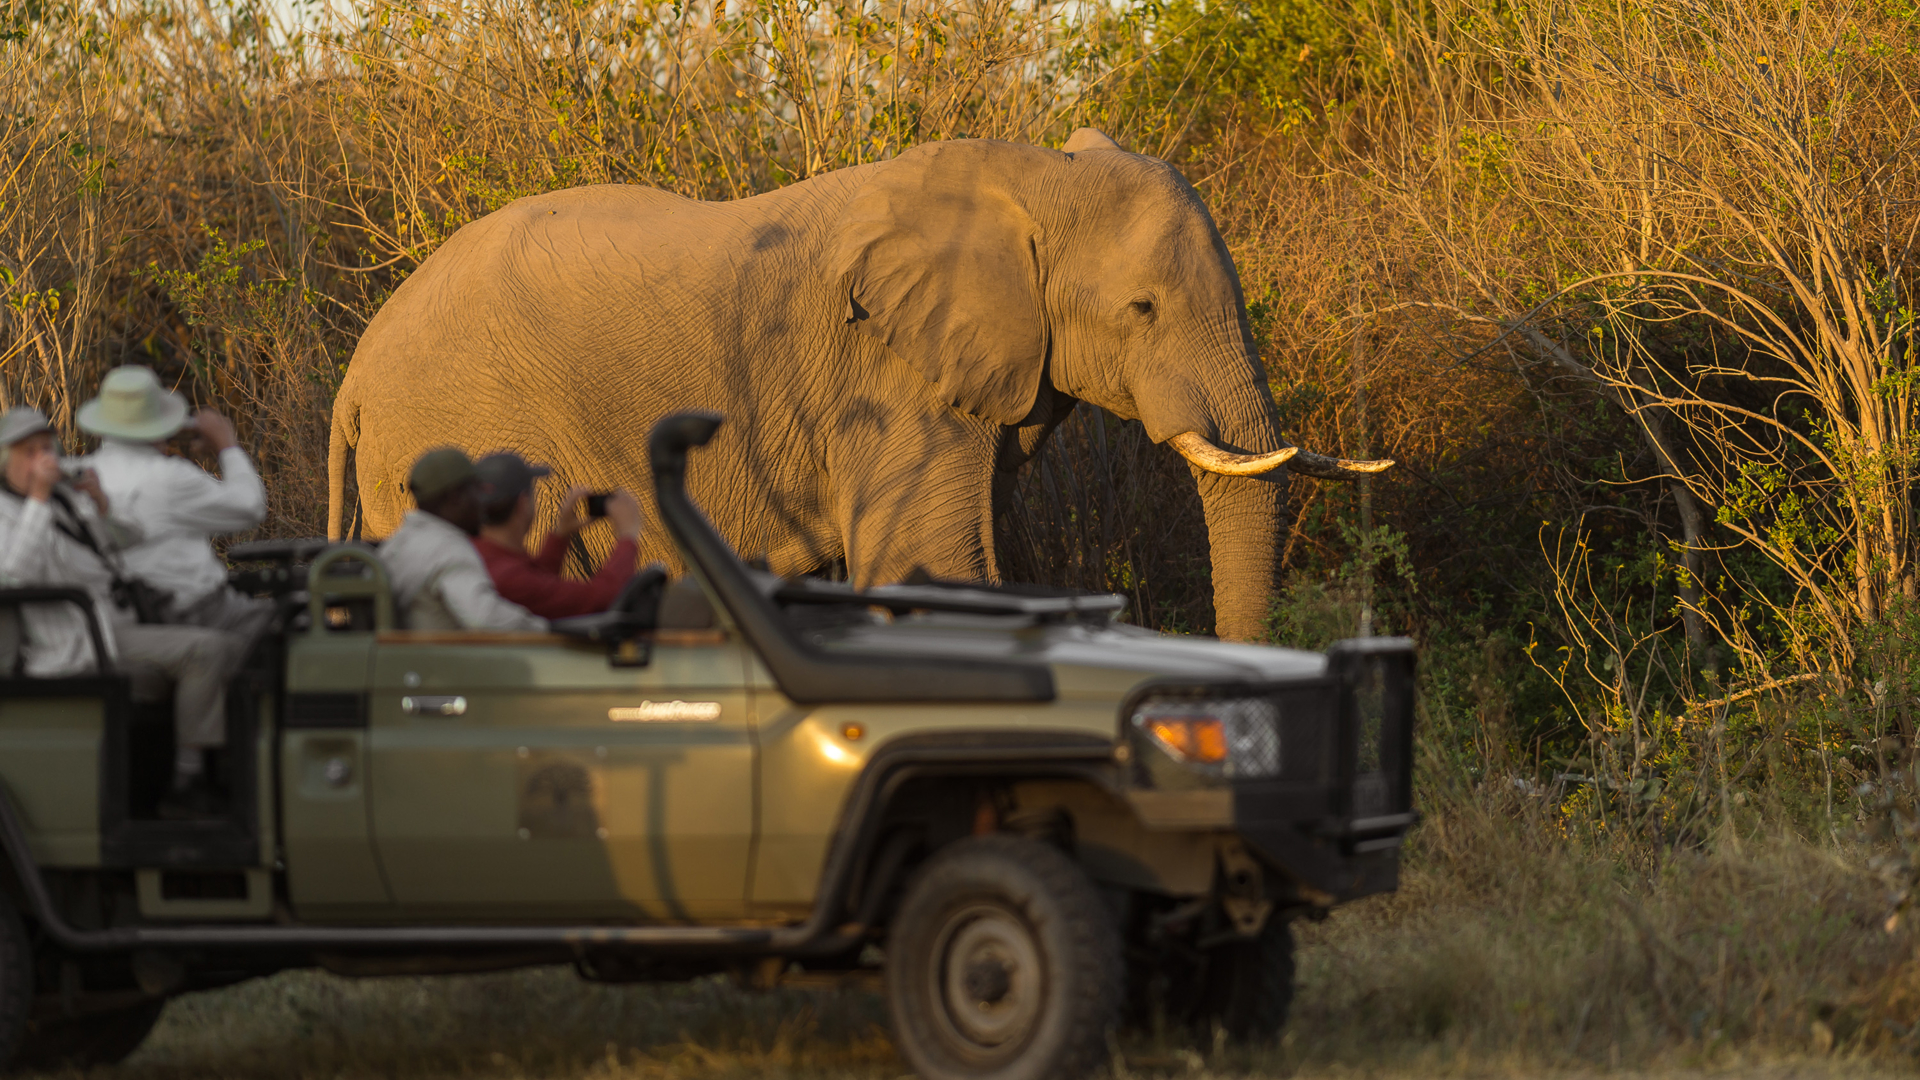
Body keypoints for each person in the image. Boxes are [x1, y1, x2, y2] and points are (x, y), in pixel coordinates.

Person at [0, 407, 247, 819]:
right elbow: (13, 577)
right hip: (77, 646)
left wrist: (100, 504)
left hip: (115, 626)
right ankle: (188, 785)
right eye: (29, 452)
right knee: (207, 652)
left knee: (240, 651)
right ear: (6, 461)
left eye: (46, 448)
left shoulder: (63, 499)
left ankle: (213, 775)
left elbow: (126, 541)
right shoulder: (10, 513)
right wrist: (40, 500)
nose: (42, 459)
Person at [75, 366, 273, 641]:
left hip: (128, 613)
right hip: (198, 612)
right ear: (160, 424)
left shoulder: (83, 475)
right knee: (298, 621)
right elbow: (251, 506)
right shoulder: (171, 477)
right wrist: (226, 446)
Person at [381, 447, 547, 631]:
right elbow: (485, 617)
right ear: (455, 498)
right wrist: (545, 628)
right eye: (476, 490)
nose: (482, 501)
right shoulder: (447, 550)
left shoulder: (399, 542)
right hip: (441, 657)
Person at [472, 452, 643, 619]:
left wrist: (561, 535)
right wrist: (627, 536)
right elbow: (603, 597)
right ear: (523, 504)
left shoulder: (477, 554)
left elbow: (536, 587)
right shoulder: (511, 579)